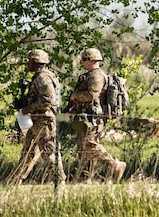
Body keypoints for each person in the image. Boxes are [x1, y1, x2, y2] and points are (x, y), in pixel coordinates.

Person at [68, 48, 126, 182]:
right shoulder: (87, 76)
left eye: (84, 60)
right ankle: (85, 178)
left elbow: (91, 95)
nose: (82, 63)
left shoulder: (96, 76)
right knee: (82, 148)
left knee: (90, 144)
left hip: (95, 118)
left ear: (92, 60)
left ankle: (115, 165)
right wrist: (74, 108)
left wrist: (74, 96)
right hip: (85, 116)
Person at [11, 49, 66, 185]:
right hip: (37, 120)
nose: (27, 64)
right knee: (27, 151)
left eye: (29, 61)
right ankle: (15, 180)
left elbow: (47, 100)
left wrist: (27, 108)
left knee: (49, 152)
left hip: (44, 121)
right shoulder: (42, 76)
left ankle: (59, 181)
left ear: (36, 62)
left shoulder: (42, 78)